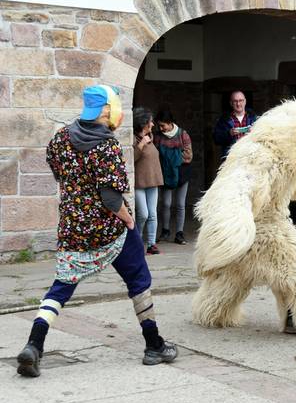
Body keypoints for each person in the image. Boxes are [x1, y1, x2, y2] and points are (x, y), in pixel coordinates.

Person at [15, 85, 177, 378]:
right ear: (106, 110)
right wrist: (129, 222)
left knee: (61, 286)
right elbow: (112, 199)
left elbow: (57, 171)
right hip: (109, 228)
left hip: (73, 228)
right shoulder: (107, 145)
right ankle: (154, 345)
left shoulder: (61, 139)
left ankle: (34, 345)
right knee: (139, 280)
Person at [153, 108, 193, 246]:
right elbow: (155, 154)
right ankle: (165, 230)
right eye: (159, 125)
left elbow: (188, 156)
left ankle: (179, 233)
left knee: (180, 204)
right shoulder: (158, 137)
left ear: (170, 123)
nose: (161, 128)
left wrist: (168, 157)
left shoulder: (183, 134)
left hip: (181, 173)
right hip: (166, 173)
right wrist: (175, 155)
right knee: (166, 203)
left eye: (163, 125)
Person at [132, 107, 163, 255]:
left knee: (152, 214)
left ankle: (152, 244)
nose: (152, 125)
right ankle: (136, 242)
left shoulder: (150, 137)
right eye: (150, 122)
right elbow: (132, 159)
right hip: (139, 182)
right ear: (143, 123)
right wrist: (141, 144)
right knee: (143, 214)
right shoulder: (134, 138)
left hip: (153, 180)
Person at [212, 90, 257, 158]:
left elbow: (263, 136)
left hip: (250, 156)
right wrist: (229, 133)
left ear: (245, 101)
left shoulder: (254, 118)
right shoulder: (224, 120)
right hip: (231, 158)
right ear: (231, 103)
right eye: (235, 101)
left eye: (240, 100)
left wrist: (254, 132)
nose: (238, 104)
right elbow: (216, 139)